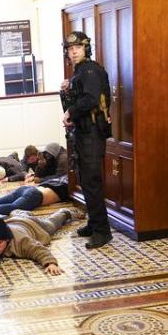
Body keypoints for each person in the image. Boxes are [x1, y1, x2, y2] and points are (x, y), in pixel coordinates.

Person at [61, 31, 113, 249]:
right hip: (83, 133)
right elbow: (79, 96)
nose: (73, 52)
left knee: (92, 183)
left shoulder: (89, 70)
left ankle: (102, 232)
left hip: (92, 133)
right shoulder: (79, 72)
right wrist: (66, 90)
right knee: (85, 180)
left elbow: (91, 99)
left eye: (78, 48)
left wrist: (70, 112)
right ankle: (93, 223)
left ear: (86, 48)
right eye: (70, 49)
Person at [0, 209, 83, 276]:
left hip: (31, 225)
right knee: (17, 214)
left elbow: (38, 250)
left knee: (51, 224)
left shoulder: (21, 241)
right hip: (12, 221)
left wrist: (51, 263)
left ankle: (65, 212)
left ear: (8, 240)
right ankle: (18, 212)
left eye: (0, 243)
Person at [0, 175, 71, 225]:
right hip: (36, 195)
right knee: (14, 206)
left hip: (27, 189)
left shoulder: (60, 178)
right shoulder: (71, 185)